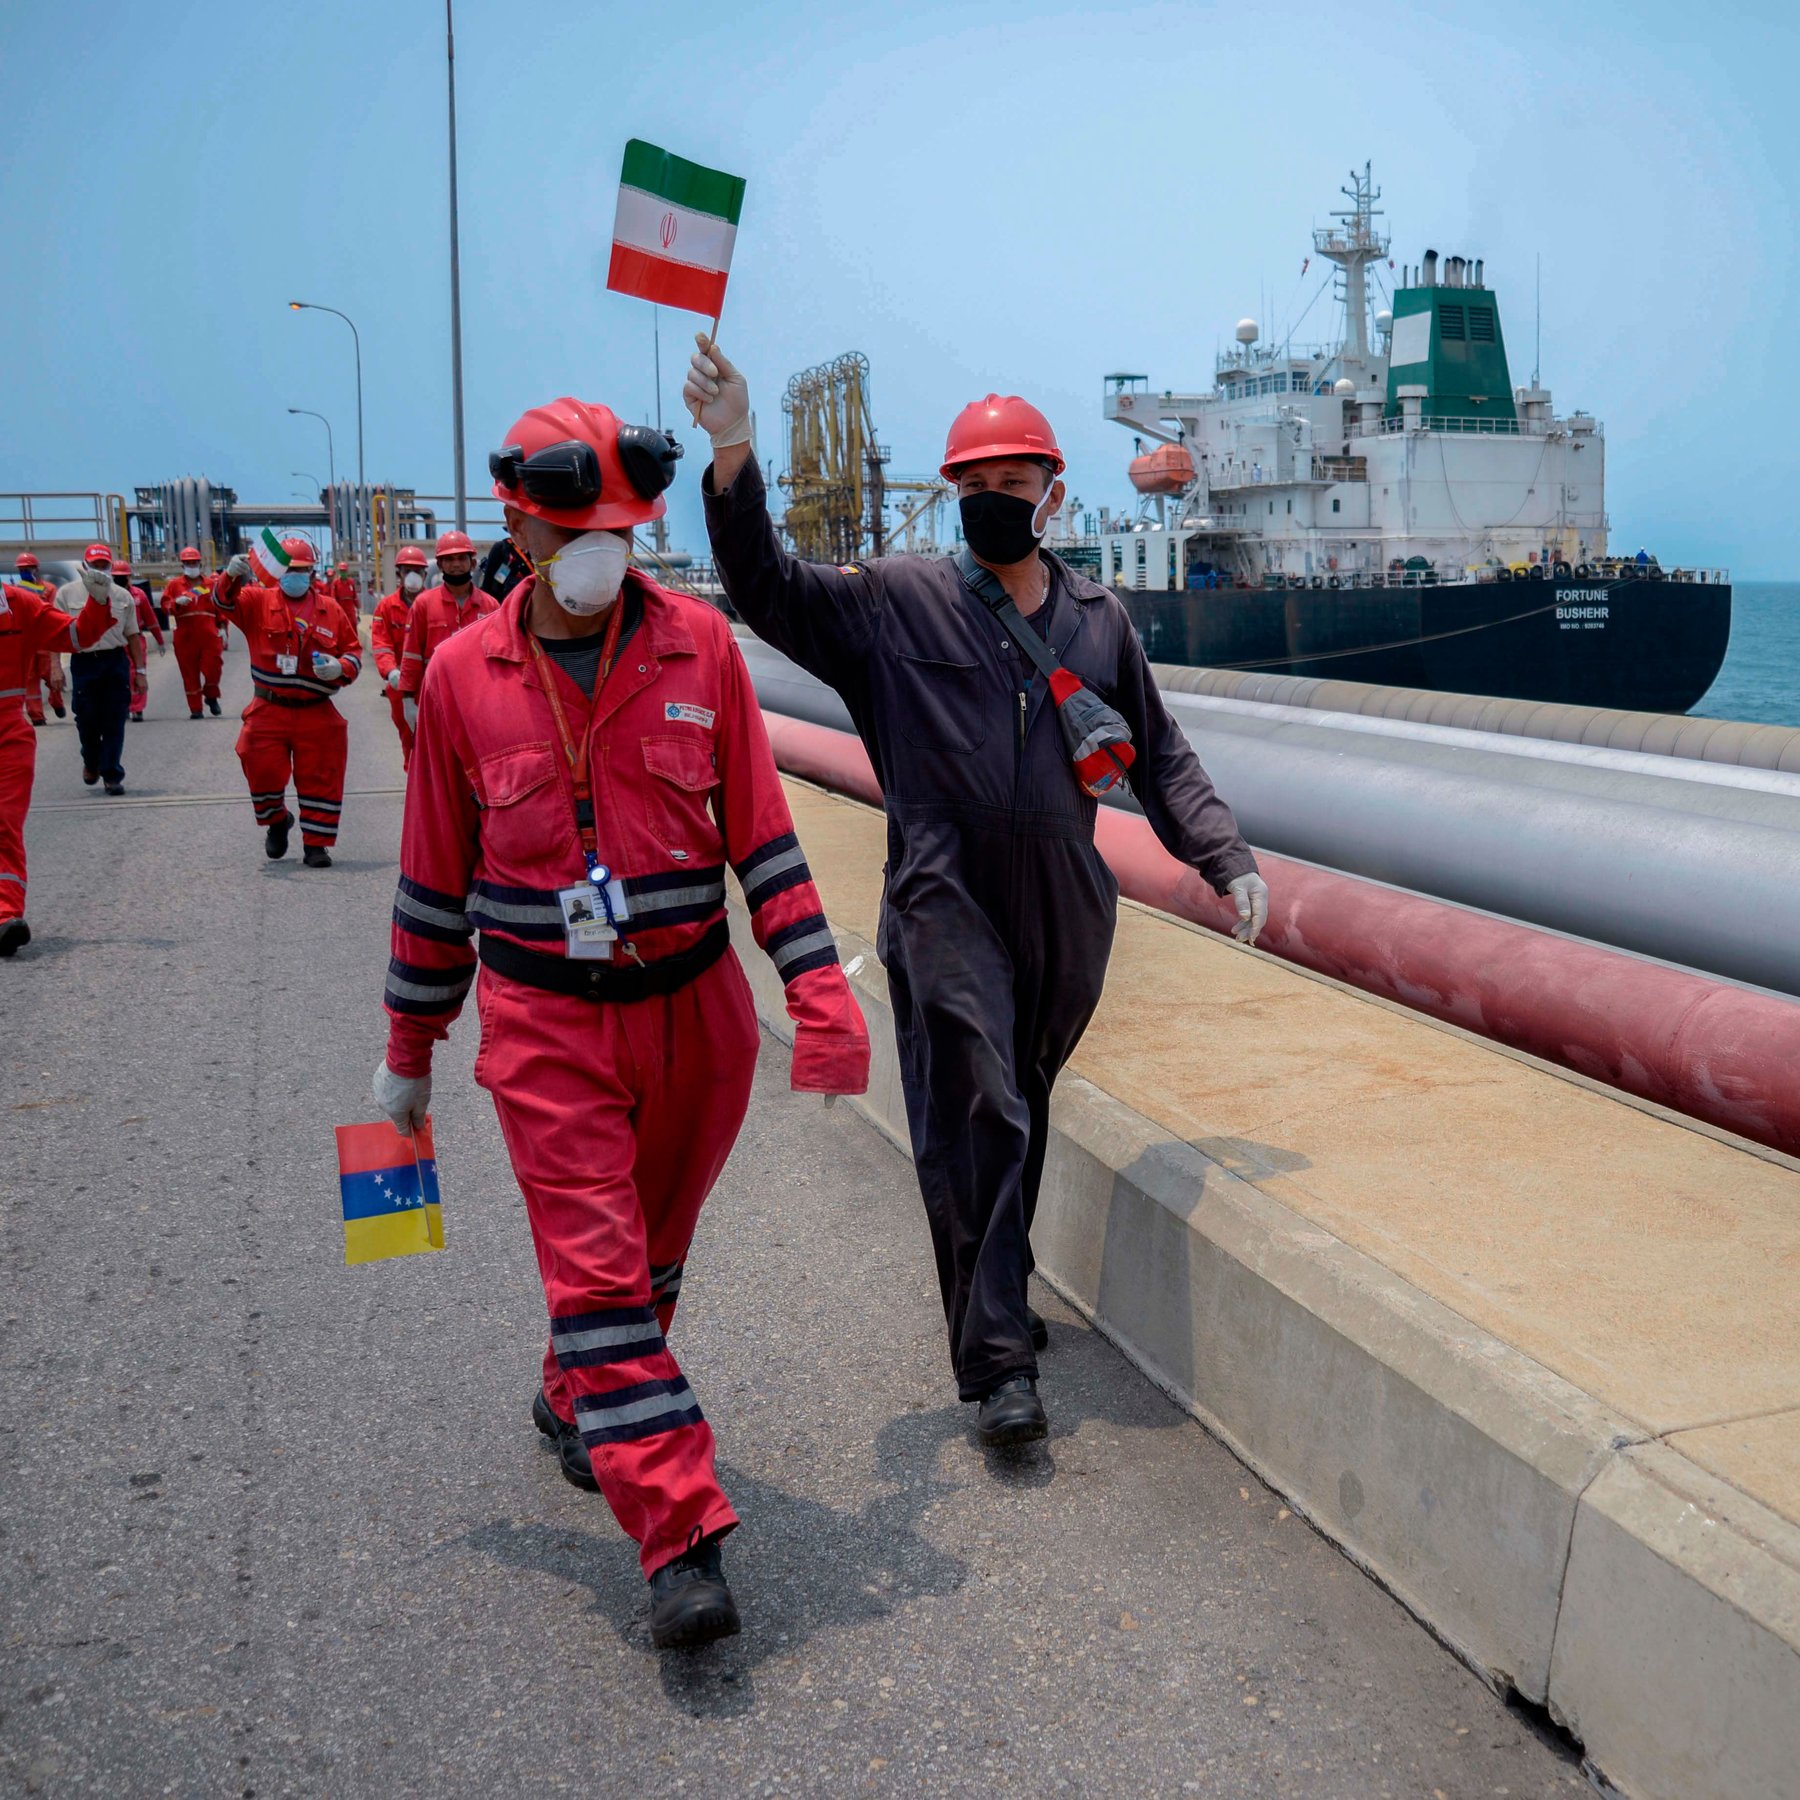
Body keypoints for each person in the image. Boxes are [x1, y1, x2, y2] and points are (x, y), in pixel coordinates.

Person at [689, 338, 1268, 1447]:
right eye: (975, 487)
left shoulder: (1099, 619)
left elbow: (1159, 751)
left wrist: (1223, 854)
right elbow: (766, 585)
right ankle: (999, 1361)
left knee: (1023, 1099)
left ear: (1051, 494)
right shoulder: (896, 604)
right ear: (951, 495)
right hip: (943, 885)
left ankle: (995, 1287)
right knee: (980, 1104)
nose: (993, 502)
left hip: (1063, 899)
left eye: (1013, 486)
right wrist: (733, 452)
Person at [369, 396, 870, 1649]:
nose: (603, 552)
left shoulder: (701, 650)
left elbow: (762, 835)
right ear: (520, 528)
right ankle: (680, 1531)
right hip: (546, 1024)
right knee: (599, 1273)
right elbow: (433, 881)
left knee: (649, 1253)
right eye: (576, 530)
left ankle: (574, 1388)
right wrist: (406, 1058)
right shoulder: (458, 678)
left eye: (622, 530)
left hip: (700, 1017)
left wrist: (816, 992)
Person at [214, 537, 361, 868]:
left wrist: (341, 667)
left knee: (321, 775)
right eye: (290, 570)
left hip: (316, 708)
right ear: (279, 573)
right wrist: (230, 576)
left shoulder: (331, 609)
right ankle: (276, 820)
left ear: (312, 573)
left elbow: (353, 651)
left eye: (303, 570)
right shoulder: (256, 601)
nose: (296, 576)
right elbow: (223, 603)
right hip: (269, 707)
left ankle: (316, 844)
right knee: (258, 764)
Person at [0, 576, 118, 954]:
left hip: (7, 735)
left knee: (3, 822)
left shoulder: (22, 604)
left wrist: (98, 604)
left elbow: (76, 638)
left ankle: (4, 916)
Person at [56, 545, 145, 794]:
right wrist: (55, 668)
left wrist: (140, 672)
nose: (99, 570)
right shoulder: (67, 594)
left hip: (114, 661)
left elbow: (133, 635)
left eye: (103, 565)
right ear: (85, 565)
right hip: (84, 664)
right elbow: (54, 634)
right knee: (87, 719)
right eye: (94, 565)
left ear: (111, 566)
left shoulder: (122, 596)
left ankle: (112, 774)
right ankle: (91, 761)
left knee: (115, 719)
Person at [396, 530, 496, 731]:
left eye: (461, 558)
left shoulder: (490, 606)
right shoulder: (424, 605)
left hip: (478, 700)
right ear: (440, 565)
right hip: (435, 697)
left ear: (473, 563)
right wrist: (408, 699)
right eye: (449, 559)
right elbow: (411, 655)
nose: (456, 564)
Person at [370, 544, 430, 767]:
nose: (413, 576)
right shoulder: (386, 607)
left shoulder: (435, 603)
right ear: (399, 574)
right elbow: (381, 644)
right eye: (407, 571)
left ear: (425, 574)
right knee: (410, 740)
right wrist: (391, 671)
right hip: (401, 689)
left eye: (417, 571)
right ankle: (416, 788)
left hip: (432, 686)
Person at [164, 545, 225, 718]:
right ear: (182, 565)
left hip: (209, 634)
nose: (192, 565)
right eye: (188, 563)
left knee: (214, 667)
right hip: (185, 635)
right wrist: (176, 602)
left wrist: (222, 627)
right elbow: (165, 606)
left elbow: (220, 606)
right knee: (189, 673)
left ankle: (211, 696)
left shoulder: (211, 584)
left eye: (194, 562)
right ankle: (196, 709)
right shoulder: (175, 585)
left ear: (200, 563)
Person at [13, 554, 67, 725]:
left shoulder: (49, 589)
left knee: (51, 676)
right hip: (27, 641)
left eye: (27, 569)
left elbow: (53, 613)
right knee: (30, 680)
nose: (24, 573)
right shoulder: (16, 590)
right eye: (21, 570)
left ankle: (56, 702)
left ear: (36, 569)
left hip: (45, 640)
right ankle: (36, 716)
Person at [116, 561, 166, 722]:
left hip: (135, 638)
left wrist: (159, 640)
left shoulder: (138, 595)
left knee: (138, 672)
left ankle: (137, 708)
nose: (120, 580)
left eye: (122, 577)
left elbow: (150, 619)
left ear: (129, 577)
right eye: (116, 577)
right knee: (118, 675)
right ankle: (122, 707)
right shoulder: (107, 595)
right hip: (115, 640)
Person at [329, 562, 361, 639]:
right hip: (340, 607)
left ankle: (354, 641)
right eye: (342, 571)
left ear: (347, 571)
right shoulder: (335, 583)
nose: (343, 573)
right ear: (339, 572)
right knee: (341, 625)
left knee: (353, 624)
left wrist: (358, 606)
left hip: (350, 607)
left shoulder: (351, 582)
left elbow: (354, 595)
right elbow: (333, 597)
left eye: (344, 571)